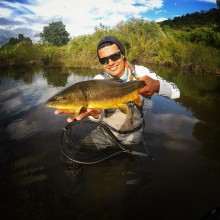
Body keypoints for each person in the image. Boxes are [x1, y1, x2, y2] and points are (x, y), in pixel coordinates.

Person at [55, 35, 180, 146]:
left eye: (115, 56)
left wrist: (157, 85)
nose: (110, 63)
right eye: (104, 60)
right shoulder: (99, 81)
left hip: (134, 136)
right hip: (106, 133)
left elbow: (176, 92)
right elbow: (97, 114)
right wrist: (95, 115)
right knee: (81, 149)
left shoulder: (141, 73)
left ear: (123, 54)